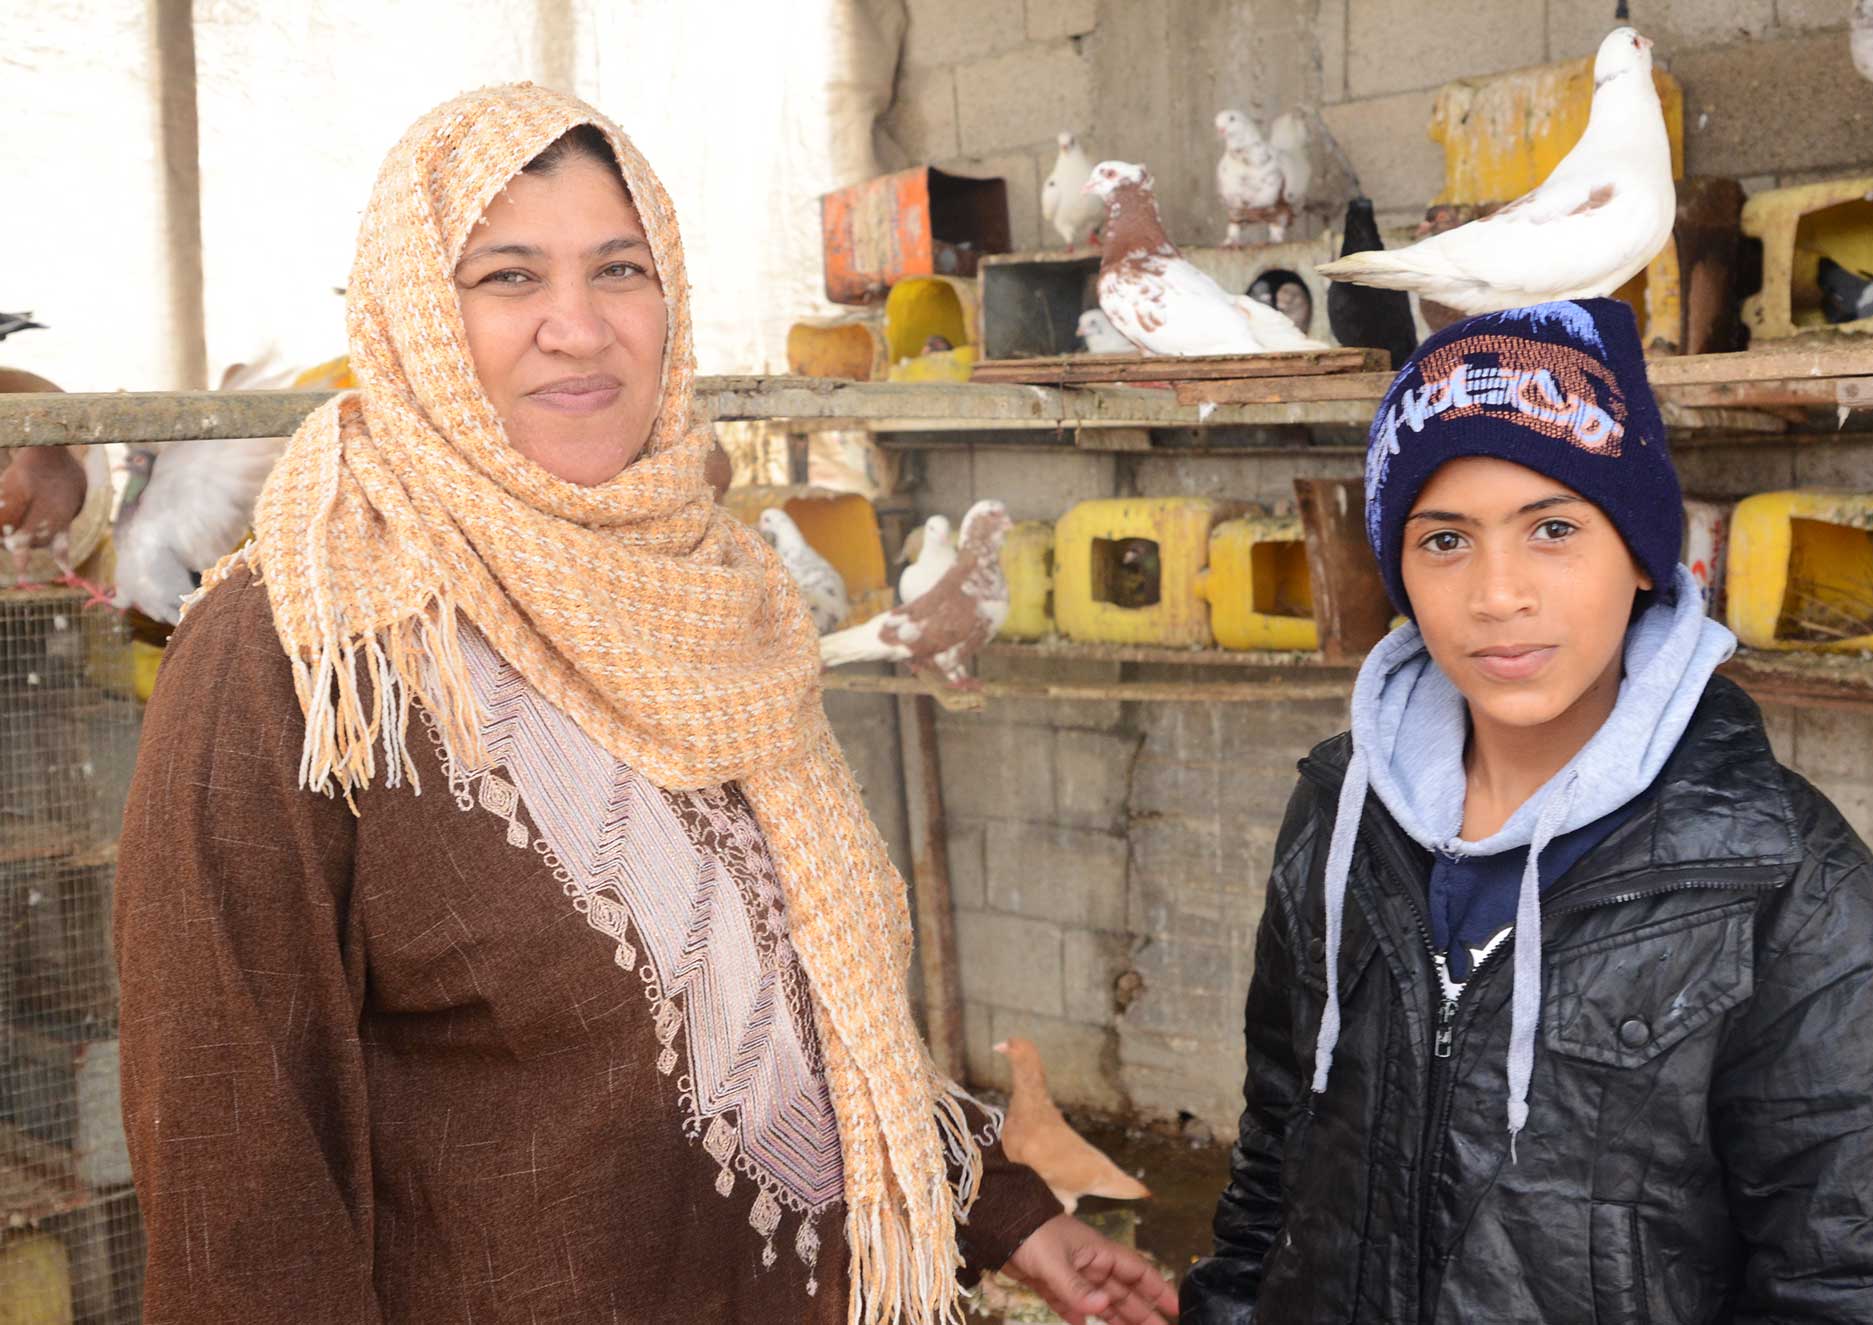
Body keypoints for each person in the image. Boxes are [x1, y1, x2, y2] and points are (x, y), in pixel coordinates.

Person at [114, 84, 1177, 1325]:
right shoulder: (299, 647)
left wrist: (1002, 1210)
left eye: (618, 268)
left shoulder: (705, 597)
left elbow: (784, 987)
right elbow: (232, 1150)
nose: (579, 327)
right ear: (413, 310)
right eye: (507, 276)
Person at [1179, 299, 1873, 1322]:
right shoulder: (1337, 811)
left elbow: (1857, 1272)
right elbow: (1272, 1176)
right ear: (1400, 572)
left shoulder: (1774, 870)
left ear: (1640, 555)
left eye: (1551, 528)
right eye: (1444, 538)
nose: (1496, 593)